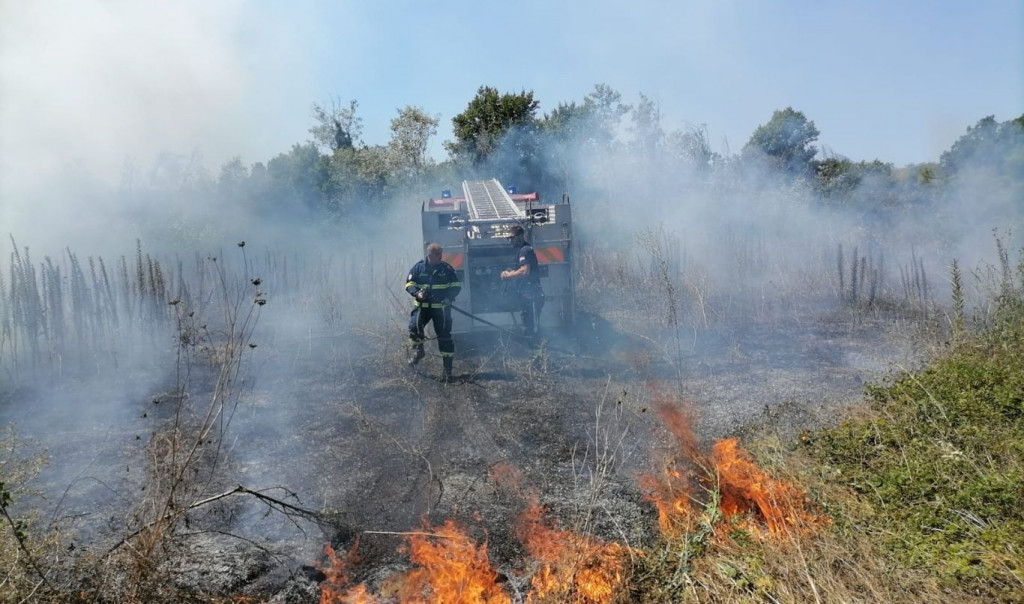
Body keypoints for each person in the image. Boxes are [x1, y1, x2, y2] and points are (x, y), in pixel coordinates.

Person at [406, 242, 461, 378]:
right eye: (438, 255)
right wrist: (417, 294)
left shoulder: (447, 269)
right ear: (429, 255)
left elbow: (456, 286)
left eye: (441, 254)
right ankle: (419, 351)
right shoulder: (418, 268)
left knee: (444, 337)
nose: (441, 257)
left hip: (441, 310)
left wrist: (449, 298)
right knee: (414, 327)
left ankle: (447, 370)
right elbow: (409, 284)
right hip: (422, 308)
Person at [500, 225, 545, 338]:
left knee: (533, 330)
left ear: (520, 236)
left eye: (512, 238)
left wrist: (508, 276)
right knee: (527, 328)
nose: (510, 240)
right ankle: (533, 353)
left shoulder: (525, 250)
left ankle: (538, 353)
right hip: (527, 297)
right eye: (508, 238)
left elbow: (525, 271)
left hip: (532, 296)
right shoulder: (521, 250)